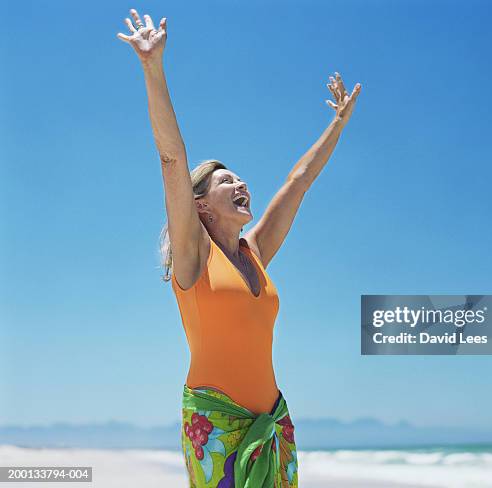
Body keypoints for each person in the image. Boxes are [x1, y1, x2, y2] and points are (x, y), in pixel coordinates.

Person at [117, 8, 361, 487]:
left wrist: (338, 125)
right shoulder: (193, 255)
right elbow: (171, 160)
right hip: (217, 426)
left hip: (272, 424)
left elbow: (300, 181)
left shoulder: (255, 253)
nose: (242, 182)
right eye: (227, 181)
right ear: (201, 206)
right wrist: (152, 67)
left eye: (240, 177)